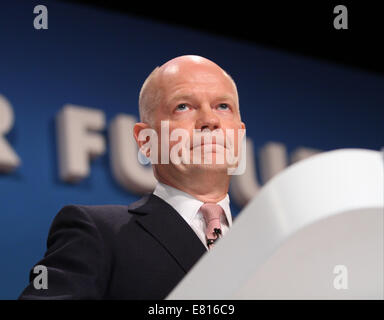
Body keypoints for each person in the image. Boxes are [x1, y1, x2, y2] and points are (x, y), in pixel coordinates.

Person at [19, 55, 246, 299]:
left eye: (223, 106)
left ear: (240, 134)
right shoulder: (98, 233)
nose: (210, 121)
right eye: (183, 106)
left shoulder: (272, 240)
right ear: (146, 141)